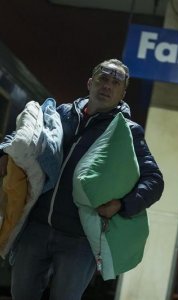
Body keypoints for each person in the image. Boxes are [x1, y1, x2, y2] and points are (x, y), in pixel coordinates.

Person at [0, 58, 164, 300]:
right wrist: (5, 151)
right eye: (103, 79)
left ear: (122, 93)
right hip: (35, 228)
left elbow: (154, 180)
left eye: (115, 83)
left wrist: (123, 205)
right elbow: (24, 135)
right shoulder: (60, 114)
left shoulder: (126, 132)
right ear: (90, 83)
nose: (107, 86)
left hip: (79, 240)